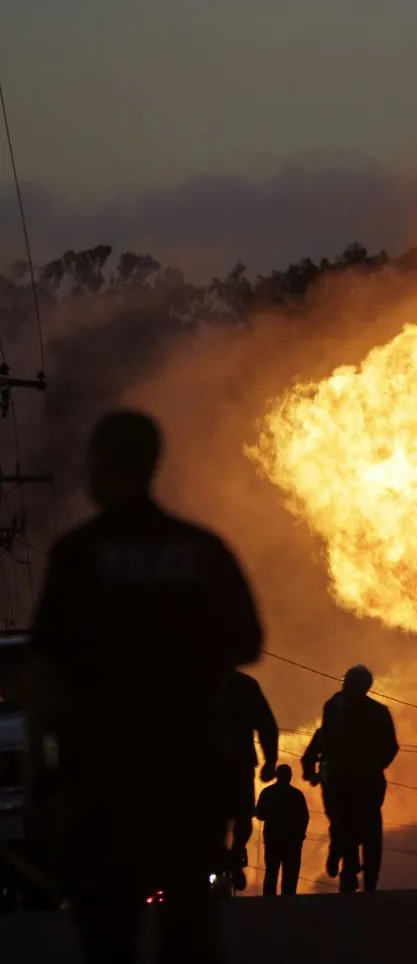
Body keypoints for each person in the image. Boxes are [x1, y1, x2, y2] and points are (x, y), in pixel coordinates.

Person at [27, 409, 263, 963]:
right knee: (188, 932)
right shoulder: (200, 550)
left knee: (109, 934)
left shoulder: (79, 555)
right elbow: (249, 642)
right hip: (186, 768)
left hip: (102, 778)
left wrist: (41, 781)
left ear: (101, 463)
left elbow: (45, 674)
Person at [300, 664, 398, 894]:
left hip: (366, 782)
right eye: (348, 683)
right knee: (343, 824)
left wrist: (373, 766)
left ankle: (365, 876)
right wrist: (311, 766)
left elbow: (390, 746)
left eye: (354, 684)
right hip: (338, 780)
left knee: (368, 829)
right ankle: (348, 867)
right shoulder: (333, 707)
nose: (349, 688)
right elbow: (323, 736)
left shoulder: (376, 712)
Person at [217, 668, 278, 891]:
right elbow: (267, 725)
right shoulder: (245, 685)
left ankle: (233, 855)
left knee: (242, 816)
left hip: (235, 764)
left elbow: (266, 725)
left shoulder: (245, 686)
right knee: (235, 817)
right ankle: (228, 857)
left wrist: (270, 760)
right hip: (225, 764)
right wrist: (270, 760)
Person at [254, 764, 309, 897]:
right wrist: (300, 834)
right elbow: (304, 817)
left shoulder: (268, 792)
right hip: (292, 841)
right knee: (290, 874)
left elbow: (259, 814)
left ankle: (269, 903)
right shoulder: (296, 794)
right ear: (290, 776)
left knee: (271, 872)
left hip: (273, 839)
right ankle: (287, 903)